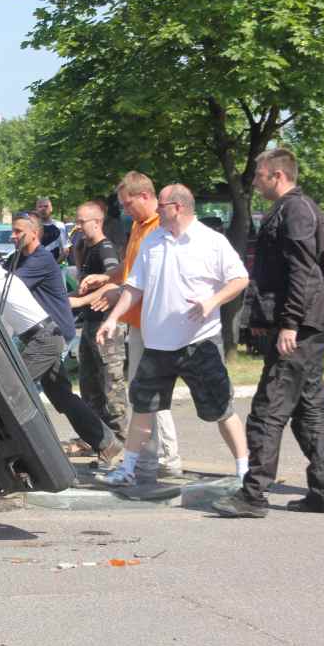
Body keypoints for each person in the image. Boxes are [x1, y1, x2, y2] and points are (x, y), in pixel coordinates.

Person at [213, 148, 324, 518]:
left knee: (268, 410)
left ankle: (253, 495)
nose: (254, 182)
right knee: (308, 411)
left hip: (302, 327)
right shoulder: (291, 208)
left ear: (278, 176)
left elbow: (303, 271)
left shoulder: (296, 210)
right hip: (306, 323)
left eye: (259, 175)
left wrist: (289, 324)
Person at [95, 184, 250, 487]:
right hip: (157, 345)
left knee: (221, 408)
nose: (157, 210)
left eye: (162, 205)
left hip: (199, 343)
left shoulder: (211, 241)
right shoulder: (153, 240)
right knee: (143, 407)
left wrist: (212, 302)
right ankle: (128, 470)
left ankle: (245, 471)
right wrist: (112, 318)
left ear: (178, 207)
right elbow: (134, 287)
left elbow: (240, 278)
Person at [0, 230, 121, 465]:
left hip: (43, 339)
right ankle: (107, 443)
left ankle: (27, 452)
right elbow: (3, 319)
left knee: (12, 390)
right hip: (45, 337)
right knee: (62, 396)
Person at [82, 172, 184, 479]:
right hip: (140, 322)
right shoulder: (139, 226)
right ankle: (164, 457)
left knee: (147, 392)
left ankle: (155, 459)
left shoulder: (160, 228)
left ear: (145, 196)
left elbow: (151, 278)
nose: (125, 210)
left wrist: (116, 293)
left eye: (128, 204)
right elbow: (130, 269)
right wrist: (107, 279)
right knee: (149, 392)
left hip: (157, 323)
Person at [68, 200, 128, 455]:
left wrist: (80, 301)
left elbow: (115, 283)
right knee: (89, 385)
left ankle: (120, 442)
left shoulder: (105, 249)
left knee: (111, 387)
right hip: (90, 323)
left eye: (82, 221)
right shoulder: (87, 247)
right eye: (77, 221)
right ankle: (96, 439)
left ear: (97, 222)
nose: (78, 226)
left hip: (106, 325)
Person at [8, 212, 78, 350]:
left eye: (18, 231)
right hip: (38, 333)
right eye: (12, 231)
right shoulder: (16, 257)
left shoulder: (41, 259)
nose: (12, 236)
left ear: (34, 233)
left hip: (56, 334)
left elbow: (9, 285)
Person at [35, 196, 69, 262]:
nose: (43, 209)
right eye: (40, 207)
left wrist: (54, 265)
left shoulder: (60, 226)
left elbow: (65, 250)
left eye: (46, 206)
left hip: (55, 265)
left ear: (51, 208)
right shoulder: (31, 226)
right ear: (36, 209)